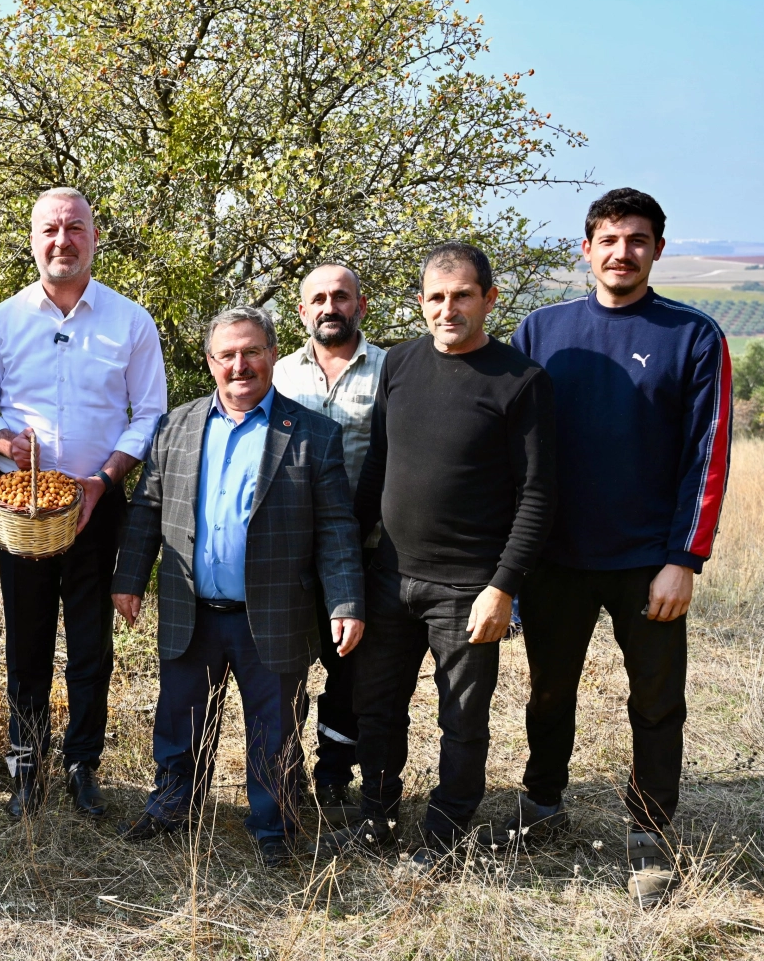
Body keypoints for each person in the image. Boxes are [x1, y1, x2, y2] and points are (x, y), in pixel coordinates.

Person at [508, 188, 731, 908]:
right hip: (555, 558)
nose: (621, 252)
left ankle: (651, 833)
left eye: (637, 240)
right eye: (608, 239)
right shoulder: (541, 331)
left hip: (649, 563)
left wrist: (683, 559)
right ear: (586, 249)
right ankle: (542, 803)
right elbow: (510, 449)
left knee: (657, 702)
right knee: (548, 691)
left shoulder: (693, 336)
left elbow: (708, 456)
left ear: (658, 250)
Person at [315, 241, 556, 872]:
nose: (448, 310)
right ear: (421, 303)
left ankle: (444, 838)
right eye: (437, 298)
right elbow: (378, 467)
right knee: (376, 709)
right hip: (389, 577)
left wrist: (503, 587)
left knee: (462, 720)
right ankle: (376, 819)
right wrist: (346, 555)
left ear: (489, 299)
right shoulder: (399, 363)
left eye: (463, 296)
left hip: (469, 589)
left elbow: (537, 494)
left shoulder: (521, 381)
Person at [111, 306, 365, 867]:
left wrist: (346, 601)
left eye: (251, 351)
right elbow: (147, 507)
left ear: (273, 354)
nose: (239, 365)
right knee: (179, 719)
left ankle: (274, 824)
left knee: (275, 727)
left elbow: (336, 529)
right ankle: (173, 805)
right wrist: (129, 579)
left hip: (273, 613)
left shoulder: (313, 435)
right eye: (227, 354)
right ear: (210, 362)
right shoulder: (175, 427)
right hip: (191, 609)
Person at [0, 187, 168, 819]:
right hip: (23, 509)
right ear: (32, 239)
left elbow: (150, 414)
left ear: (94, 237)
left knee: (90, 644)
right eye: (50, 229)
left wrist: (103, 479)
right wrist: (2, 440)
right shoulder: (1, 322)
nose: (62, 240)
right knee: (26, 643)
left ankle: (83, 764)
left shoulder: (129, 321)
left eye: (75, 227)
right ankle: (27, 768)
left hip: (98, 505)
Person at [272, 263, 387, 825]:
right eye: (317, 298)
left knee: (349, 674)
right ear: (302, 311)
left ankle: (335, 776)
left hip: (365, 549)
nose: (329, 306)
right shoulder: (277, 374)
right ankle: (283, 772)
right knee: (286, 669)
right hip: (291, 552)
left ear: (360, 305)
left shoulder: (390, 371)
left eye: (340, 296)